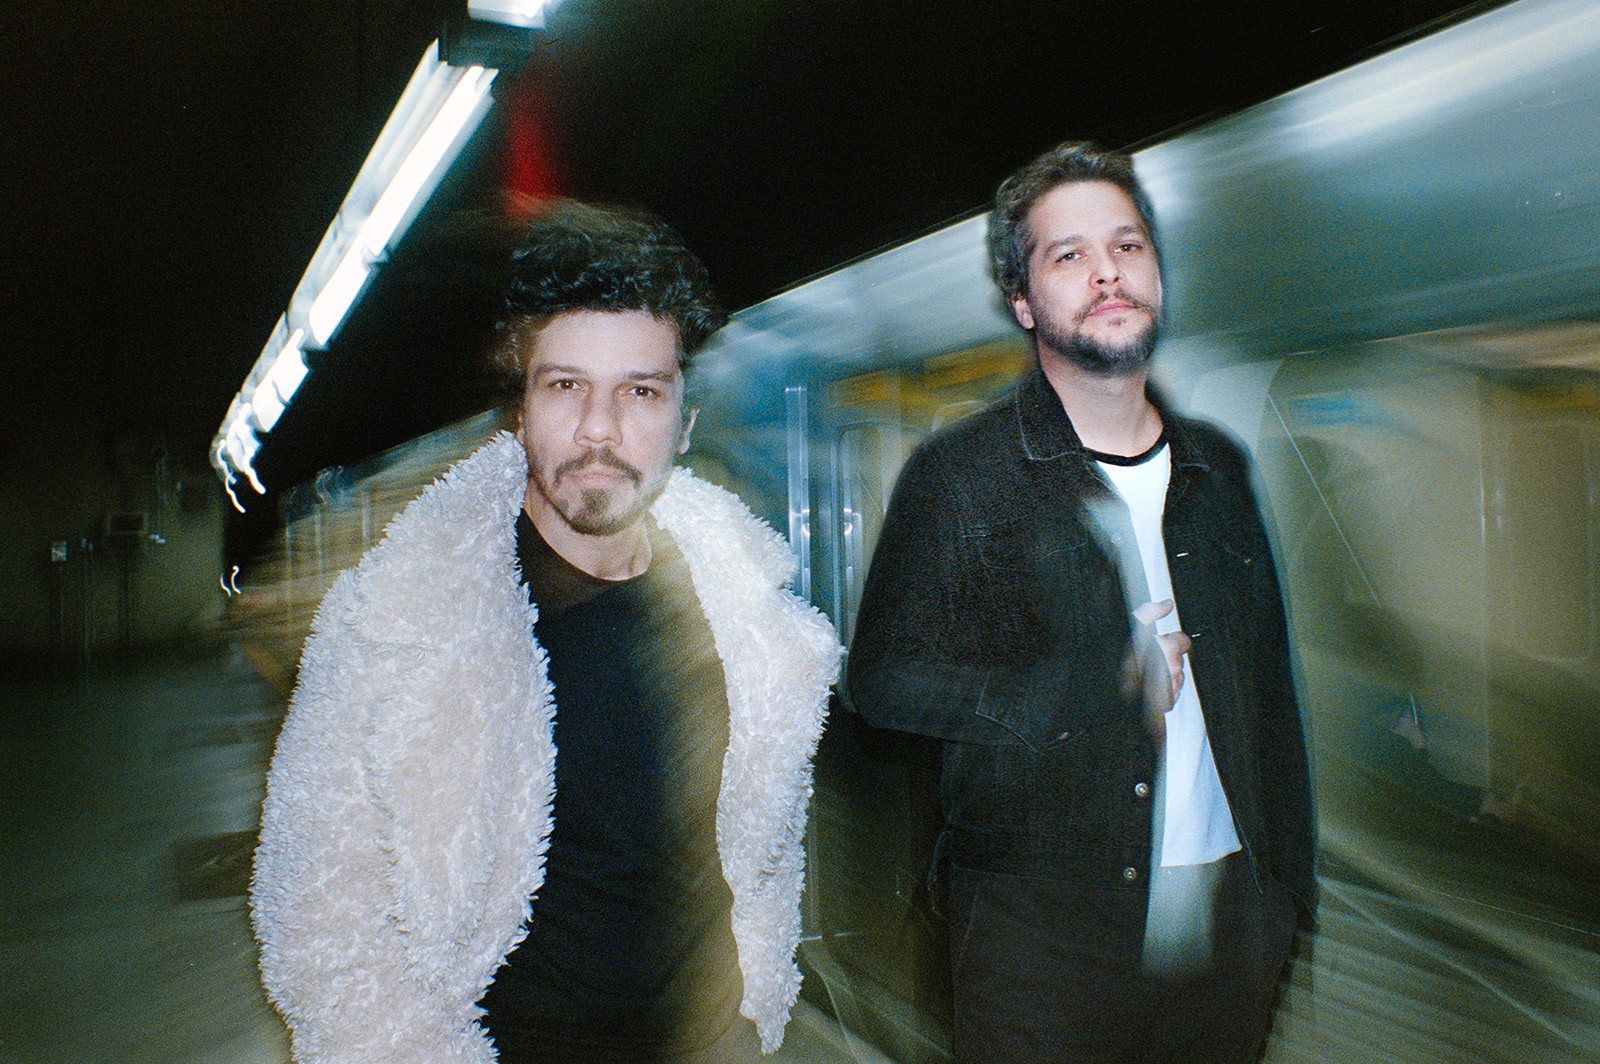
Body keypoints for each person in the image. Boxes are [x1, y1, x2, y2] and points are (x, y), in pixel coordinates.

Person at [251, 202, 842, 1064]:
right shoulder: (396, 625)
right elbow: (319, 925)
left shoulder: (748, 617)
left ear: (685, 423)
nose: (600, 429)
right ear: (521, 411)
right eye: (566, 386)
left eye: (640, 391)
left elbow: (763, 860)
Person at [847, 142, 1315, 1063]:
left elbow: (1271, 695)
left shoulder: (1221, 468)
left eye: (1128, 246)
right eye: (1068, 255)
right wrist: (1081, 689)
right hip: (1039, 947)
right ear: (1023, 300)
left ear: (1157, 273)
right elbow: (883, 680)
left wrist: (1287, 898)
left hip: (1229, 936)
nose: (1108, 272)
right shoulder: (961, 476)